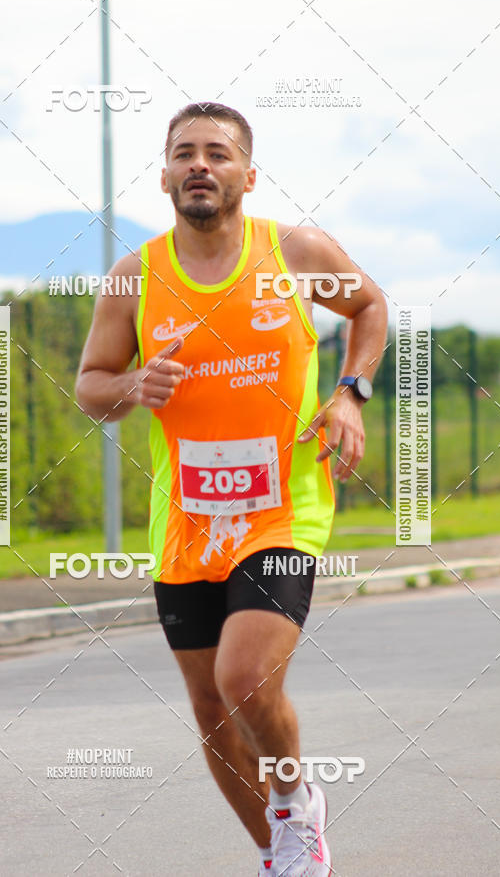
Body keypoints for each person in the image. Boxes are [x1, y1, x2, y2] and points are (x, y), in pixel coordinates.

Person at [75, 102, 388, 876]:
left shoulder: (295, 251)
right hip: (185, 521)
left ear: (248, 175)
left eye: (218, 153)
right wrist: (132, 384)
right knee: (213, 710)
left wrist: (350, 392)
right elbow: (90, 387)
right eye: (184, 153)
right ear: (164, 177)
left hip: (283, 508)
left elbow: (370, 306)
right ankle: (282, 854)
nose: (199, 165)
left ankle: (294, 801)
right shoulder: (134, 278)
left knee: (243, 680)